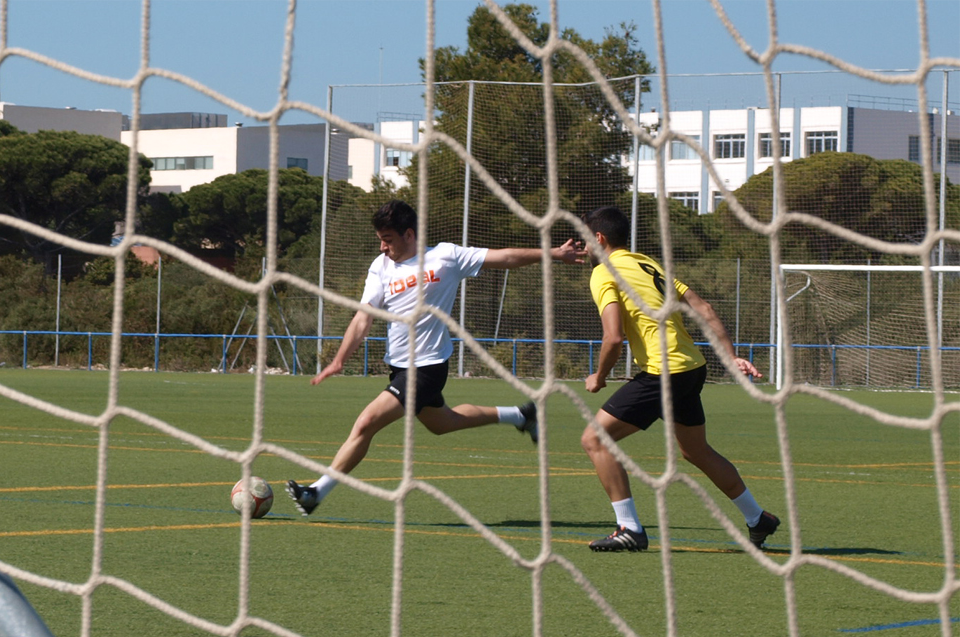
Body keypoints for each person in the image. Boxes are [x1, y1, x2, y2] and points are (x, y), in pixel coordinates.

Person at [286, 200, 587, 515]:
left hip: (427, 368)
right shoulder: (381, 266)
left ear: (409, 234)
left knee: (365, 424)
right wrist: (339, 359)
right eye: (380, 239)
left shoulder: (445, 257)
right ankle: (521, 415)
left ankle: (316, 492)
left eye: (387, 239)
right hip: (400, 368)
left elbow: (505, 257)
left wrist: (553, 253)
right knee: (444, 423)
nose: (382, 246)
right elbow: (364, 317)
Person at [578, 205, 779, 552]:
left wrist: (599, 376)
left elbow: (613, 337)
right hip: (691, 367)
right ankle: (757, 518)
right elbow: (703, 308)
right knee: (696, 450)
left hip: (663, 371)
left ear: (599, 238)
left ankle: (629, 529)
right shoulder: (646, 263)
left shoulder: (603, 272)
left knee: (595, 440)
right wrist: (731, 356)